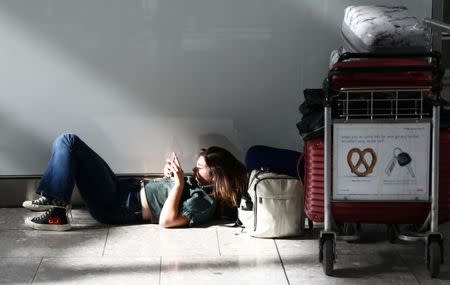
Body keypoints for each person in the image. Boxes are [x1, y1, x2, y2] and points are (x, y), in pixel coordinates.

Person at [23, 133, 248, 231]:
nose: (193, 170)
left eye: (200, 168)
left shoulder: (204, 203)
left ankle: (55, 205)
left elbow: (167, 221)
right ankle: (56, 209)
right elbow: (164, 196)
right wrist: (168, 177)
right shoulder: (200, 185)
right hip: (122, 188)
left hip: (117, 205)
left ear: (216, 175)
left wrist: (179, 184)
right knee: (69, 143)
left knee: (68, 141)